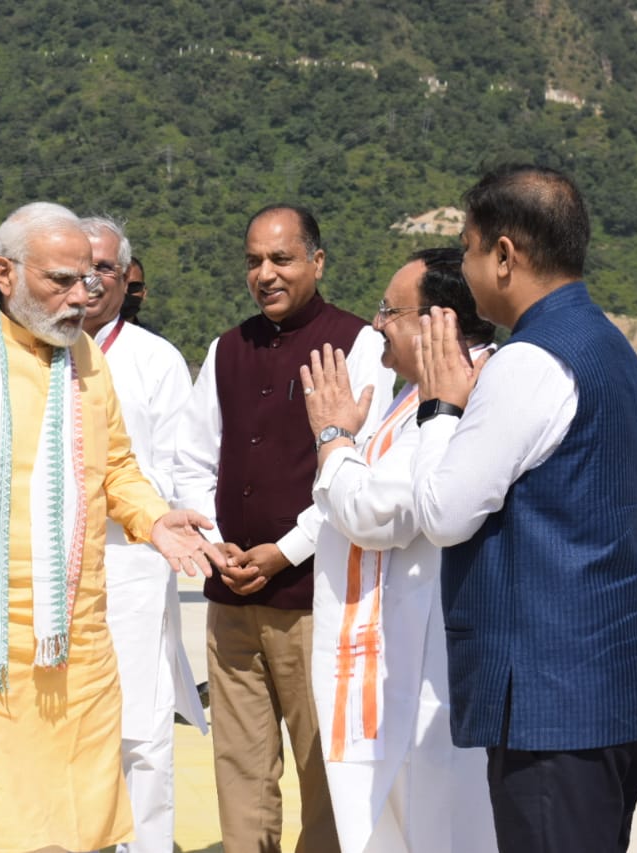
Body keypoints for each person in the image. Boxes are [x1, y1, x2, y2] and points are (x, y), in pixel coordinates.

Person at [0, 202, 226, 853]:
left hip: (71, 650)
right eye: (60, 280)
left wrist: (153, 517)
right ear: (4, 272)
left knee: (74, 825)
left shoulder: (82, 357)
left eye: (87, 279)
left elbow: (115, 469)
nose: (80, 297)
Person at [410, 165, 637, 852]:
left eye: (466, 248)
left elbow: (443, 510)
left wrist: (440, 405)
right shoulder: (610, 347)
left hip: (553, 710)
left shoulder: (528, 363)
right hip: (616, 691)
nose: (462, 267)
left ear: (503, 255)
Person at [172, 203, 393, 853]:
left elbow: (362, 468)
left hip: (315, 598)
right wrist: (215, 541)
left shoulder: (361, 346)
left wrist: (285, 550)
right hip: (231, 597)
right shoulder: (226, 349)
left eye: (281, 258)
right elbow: (191, 458)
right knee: (239, 763)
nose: (265, 273)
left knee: (325, 764)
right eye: (253, 261)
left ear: (317, 262)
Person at [299, 248, 498, 853]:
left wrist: (333, 437)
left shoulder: (465, 393)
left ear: (440, 321)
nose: (377, 323)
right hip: (402, 657)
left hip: (429, 666)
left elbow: (378, 511)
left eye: (390, 310)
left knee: (439, 828)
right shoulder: (412, 397)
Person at [80, 214, 207, 853]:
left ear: (127, 279)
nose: (93, 278)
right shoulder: (37, 347)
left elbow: (177, 471)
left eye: (107, 267)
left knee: (142, 727)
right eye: (83, 264)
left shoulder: (155, 360)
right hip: (54, 567)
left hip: (132, 566)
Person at [122, 256, 147, 325]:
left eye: (134, 286)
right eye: (120, 285)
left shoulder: (149, 336)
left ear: (144, 293)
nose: (125, 291)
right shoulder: (91, 333)